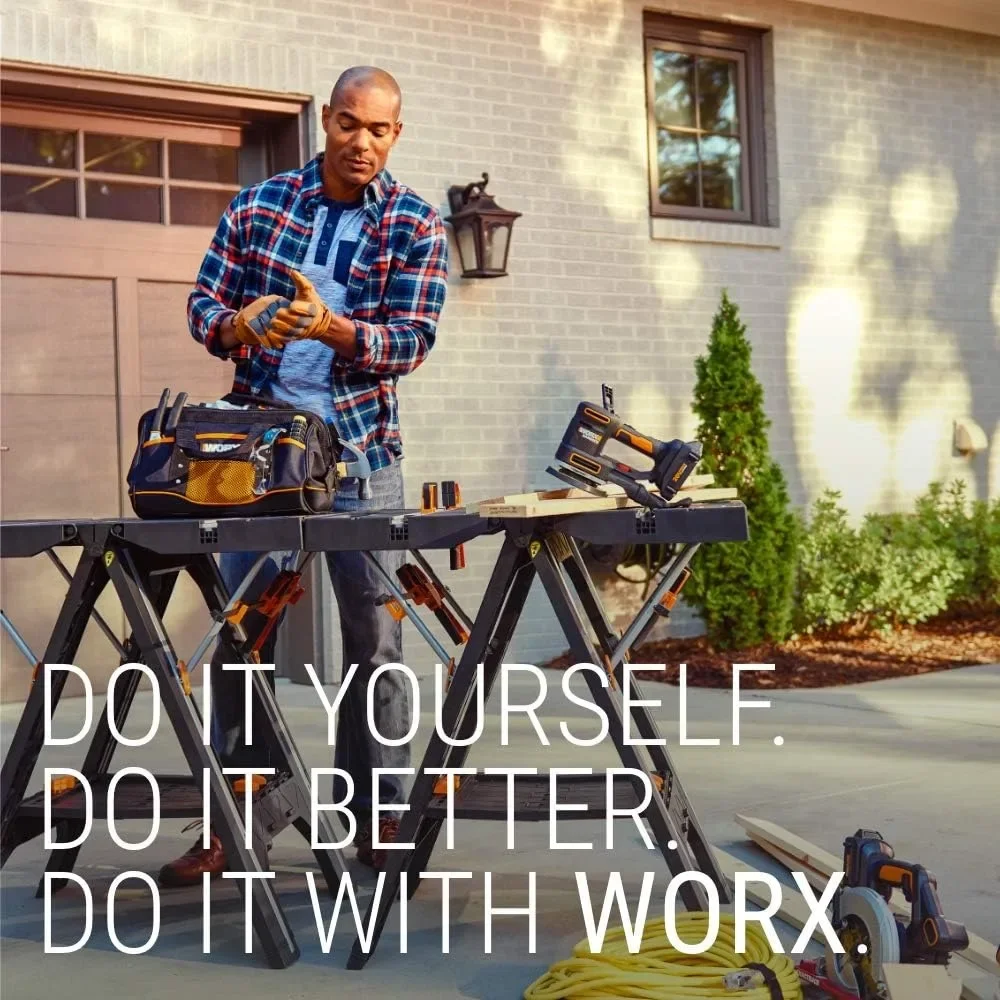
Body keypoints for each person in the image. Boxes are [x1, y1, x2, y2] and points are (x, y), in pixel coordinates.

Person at [158, 66, 448, 886]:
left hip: (361, 459)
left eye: (380, 131)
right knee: (239, 639)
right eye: (350, 125)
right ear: (328, 120)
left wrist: (336, 329)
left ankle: (378, 818)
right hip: (258, 458)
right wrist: (235, 324)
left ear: (398, 133)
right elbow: (201, 303)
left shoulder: (415, 223)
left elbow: (412, 340)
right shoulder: (259, 206)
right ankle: (235, 824)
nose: (362, 143)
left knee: (377, 640)